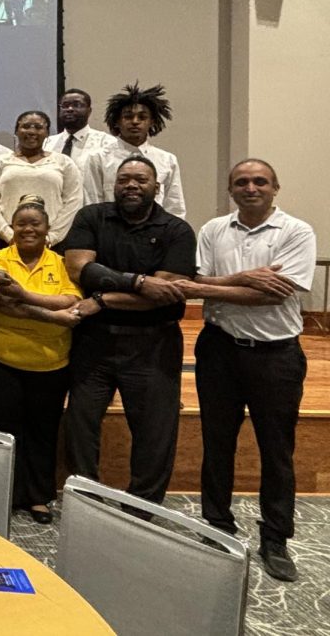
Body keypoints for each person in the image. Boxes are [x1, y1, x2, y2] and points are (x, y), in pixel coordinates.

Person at [175, 159, 314, 581]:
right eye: (241, 182)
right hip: (219, 350)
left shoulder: (297, 232)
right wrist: (246, 278)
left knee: (277, 452)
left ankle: (275, 539)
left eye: (259, 181)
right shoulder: (214, 229)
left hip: (276, 357)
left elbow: (272, 296)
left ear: (275, 187)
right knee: (217, 444)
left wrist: (208, 288)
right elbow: (199, 280)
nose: (250, 187)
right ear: (230, 190)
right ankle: (217, 527)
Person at [62, 155, 196, 503]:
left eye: (140, 179)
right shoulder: (91, 217)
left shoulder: (177, 230)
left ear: (157, 186)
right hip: (94, 340)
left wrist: (103, 299)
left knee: (154, 433)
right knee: (81, 424)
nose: (131, 185)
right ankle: (86, 501)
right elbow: (79, 270)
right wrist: (138, 282)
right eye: (124, 179)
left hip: (153, 343)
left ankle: (142, 508)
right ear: (114, 184)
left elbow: (166, 294)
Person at [0, 198, 88, 523]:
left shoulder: (60, 262)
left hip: (50, 365)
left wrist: (23, 296)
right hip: (0, 360)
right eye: (21, 223)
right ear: (12, 228)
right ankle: (4, 494)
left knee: (43, 431)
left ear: (47, 229)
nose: (28, 229)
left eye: (35, 224)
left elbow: (71, 300)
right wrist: (53, 316)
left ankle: (38, 497)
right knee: (3, 430)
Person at [84, 82, 186, 218]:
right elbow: (92, 203)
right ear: (116, 121)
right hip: (110, 233)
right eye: (128, 117)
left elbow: (174, 207)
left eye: (142, 117)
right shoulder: (98, 159)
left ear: (152, 122)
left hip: (156, 234)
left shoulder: (167, 160)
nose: (135, 121)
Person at [0, 110, 83, 246]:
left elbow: (73, 201)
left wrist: (52, 237)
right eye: (26, 126)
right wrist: (7, 234)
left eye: (38, 127)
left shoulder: (64, 162)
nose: (31, 131)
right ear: (16, 131)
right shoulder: (0, 162)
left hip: (52, 242)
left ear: (47, 133)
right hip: (6, 241)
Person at [43, 88, 114, 170]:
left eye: (77, 105)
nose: (70, 109)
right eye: (65, 106)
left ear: (89, 111)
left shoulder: (106, 143)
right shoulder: (47, 143)